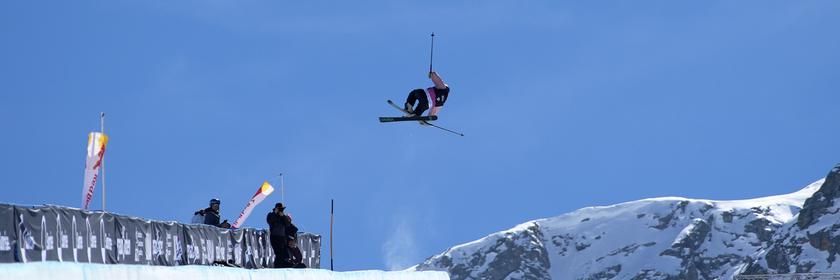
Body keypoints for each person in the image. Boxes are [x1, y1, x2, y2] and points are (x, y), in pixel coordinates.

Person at [266, 202, 292, 268]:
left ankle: (284, 265)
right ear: (275, 208)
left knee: (284, 252)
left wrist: (283, 216)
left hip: (282, 237)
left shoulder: (283, 216)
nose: (280, 210)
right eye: (279, 209)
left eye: (281, 209)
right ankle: (277, 266)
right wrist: (275, 213)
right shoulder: (271, 214)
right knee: (278, 252)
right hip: (274, 236)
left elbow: (288, 224)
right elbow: (269, 221)